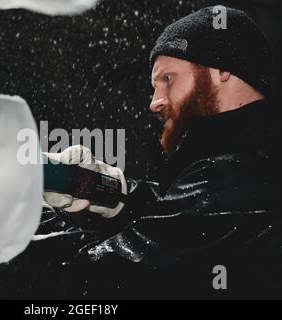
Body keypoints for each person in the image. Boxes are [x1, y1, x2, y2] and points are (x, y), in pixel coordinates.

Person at [41, 6, 282, 298]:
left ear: (223, 70)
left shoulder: (234, 181)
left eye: (168, 79)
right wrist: (114, 198)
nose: (155, 102)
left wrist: (6, 224)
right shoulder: (251, 165)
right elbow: (178, 219)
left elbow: (102, 278)